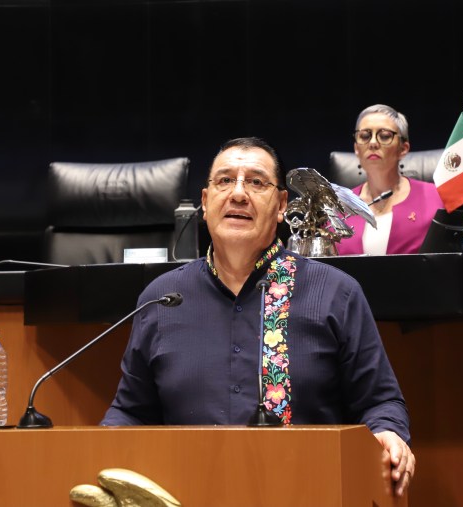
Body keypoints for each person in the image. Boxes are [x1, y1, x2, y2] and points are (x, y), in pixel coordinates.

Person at [101, 136, 416, 497]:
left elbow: (379, 402)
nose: (238, 194)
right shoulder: (161, 300)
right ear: (205, 201)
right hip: (188, 492)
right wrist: (102, 447)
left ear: (281, 205)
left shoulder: (335, 293)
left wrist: (388, 433)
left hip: (310, 493)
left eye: (256, 182)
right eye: (224, 181)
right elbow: (131, 412)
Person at [336, 104, 443, 255]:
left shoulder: (437, 199)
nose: (373, 143)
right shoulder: (338, 208)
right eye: (365, 136)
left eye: (385, 136)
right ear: (356, 149)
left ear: (403, 149)